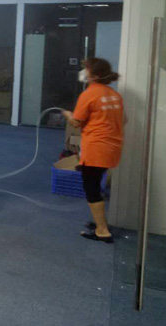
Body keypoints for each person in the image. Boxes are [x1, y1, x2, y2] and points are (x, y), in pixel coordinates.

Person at [61, 57, 124, 243]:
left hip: (96, 149)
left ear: (94, 75)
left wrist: (68, 115)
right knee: (96, 184)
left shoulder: (89, 94)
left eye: (86, 69)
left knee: (92, 188)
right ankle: (100, 222)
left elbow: (76, 122)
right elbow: (123, 120)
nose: (84, 72)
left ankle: (102, 231)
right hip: (112, 147)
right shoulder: (114, 95)